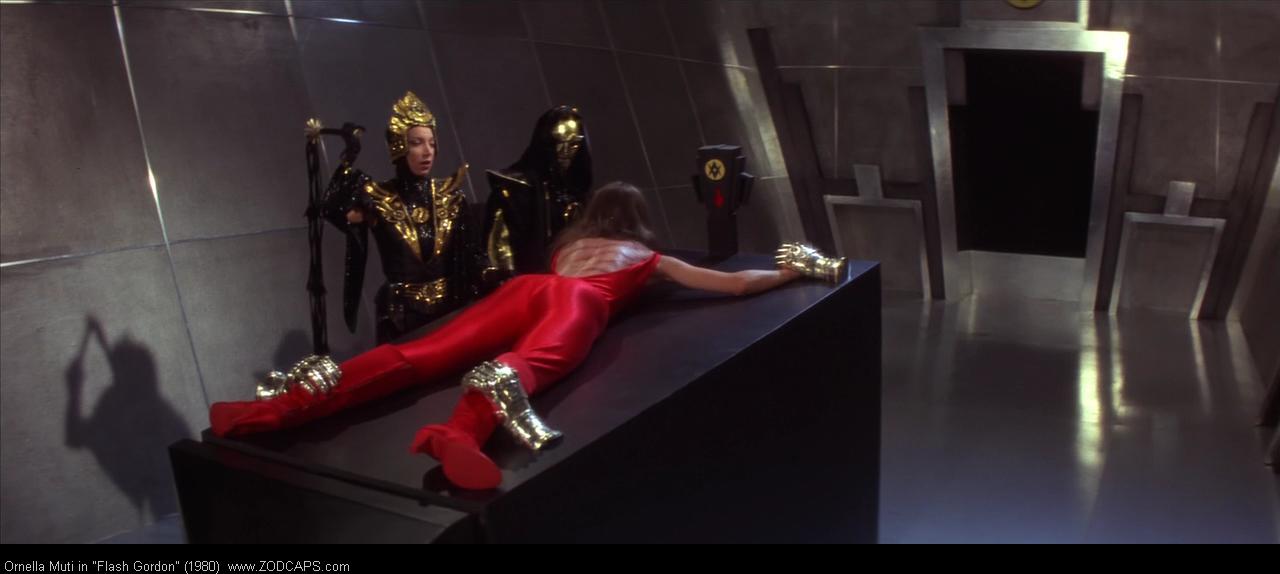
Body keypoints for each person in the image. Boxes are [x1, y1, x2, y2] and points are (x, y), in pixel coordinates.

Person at [211, 182, 846, 490]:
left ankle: (277, 408)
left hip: (529, 287)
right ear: (637, 221)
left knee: (421, 353)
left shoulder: (570, 247)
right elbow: (731, 285)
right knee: (534, 361)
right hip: (579, 301)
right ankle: (458, 433)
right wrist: (793, 269)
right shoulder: (644, 256)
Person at [321, 91, 486, 343]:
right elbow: (332, 209)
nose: (427, 151)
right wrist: (349, 157)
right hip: (403, 317)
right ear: (399, 146)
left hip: (452, 308)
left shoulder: (451, 196)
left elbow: (474, 256)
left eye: (431, 143)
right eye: (417, 143)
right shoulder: (378, 199)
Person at [483, 106, 592, 279]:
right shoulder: (514, 191)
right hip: (532, 282)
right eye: (558, 142)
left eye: (573, 144)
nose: (564, 151)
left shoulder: (578, 190)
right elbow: (500, 253)